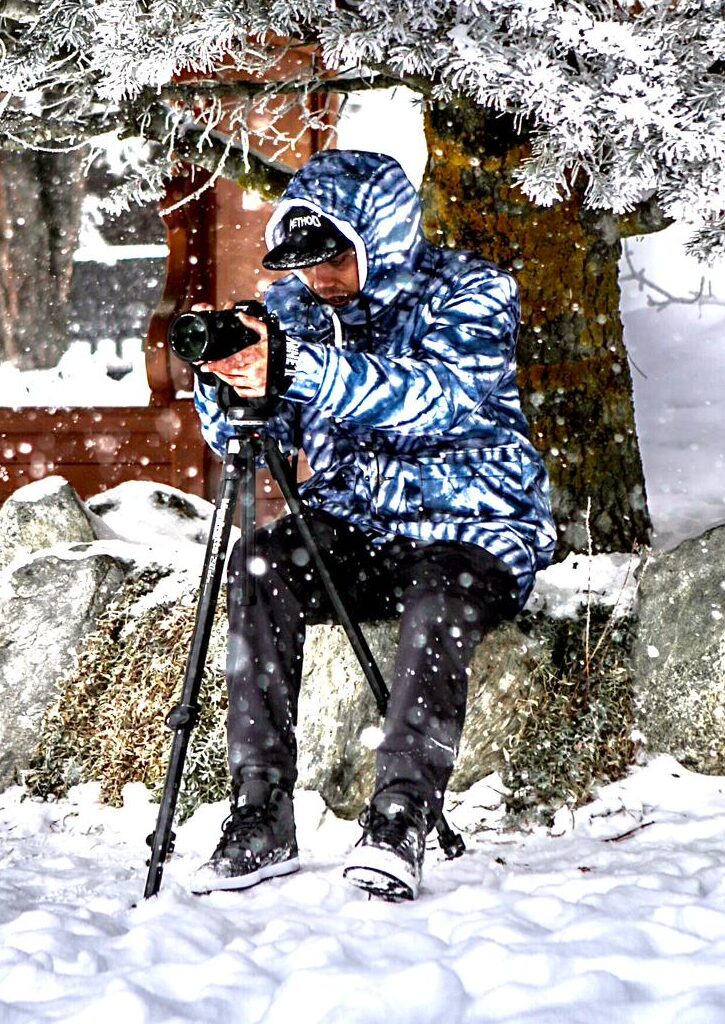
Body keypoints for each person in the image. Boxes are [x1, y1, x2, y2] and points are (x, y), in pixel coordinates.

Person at [190, 150, 556, 901]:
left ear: (380, 239)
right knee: (260, 562)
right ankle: (260, 809)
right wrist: (227, 389)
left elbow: (438, 398)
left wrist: (301, 367)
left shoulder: (473, 290)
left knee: (441, 598)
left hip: (475, 523)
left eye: (333, 259)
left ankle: (399, 815)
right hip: (356, 522)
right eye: (303, 262)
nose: (317, 278)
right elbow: (253, 441)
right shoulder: (292, 310)